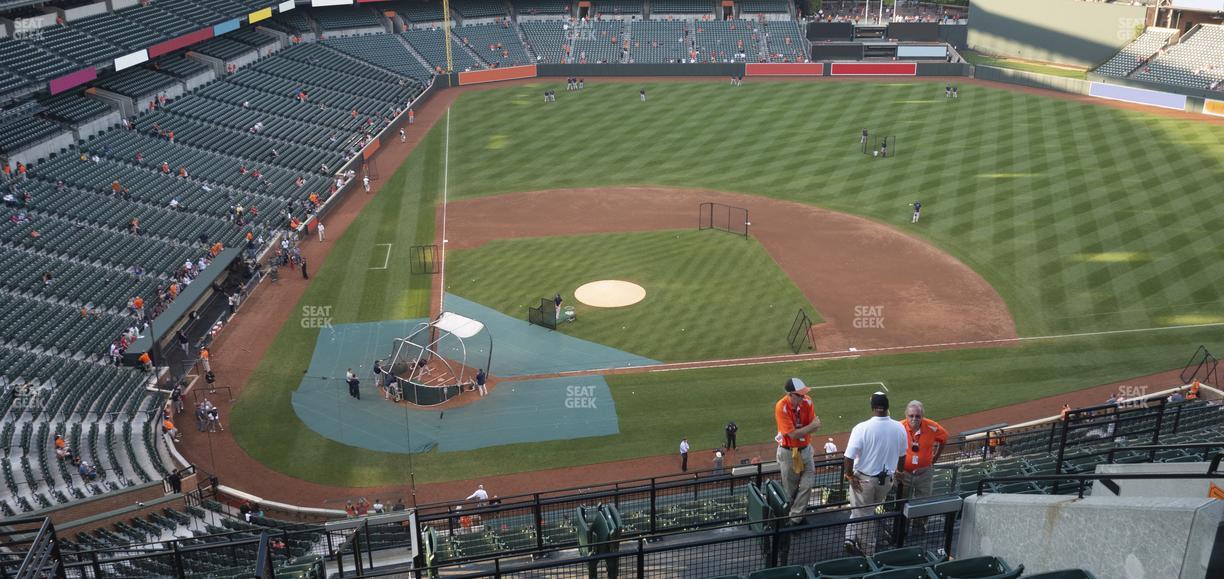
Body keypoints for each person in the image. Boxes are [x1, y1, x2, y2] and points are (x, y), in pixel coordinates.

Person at [842, 392, 907, 556]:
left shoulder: (861, 427)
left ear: (873, 408)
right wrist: (899, 471)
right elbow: (902, 455)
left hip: (864, 481)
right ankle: (849, 538)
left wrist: (849, 475)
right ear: (887, 407)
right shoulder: (899, 427)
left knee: (865, 515)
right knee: (861, 510)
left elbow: (848, 457)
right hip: (886, 482)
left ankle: (868, 553)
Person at [775, 377, 821, 524]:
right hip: (788, 452)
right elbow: (794, 434)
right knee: (790, 491)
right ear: (790, 394)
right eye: (799, 395)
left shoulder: (808, 401)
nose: (803, 397)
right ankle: (789, 518)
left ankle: (795, 518)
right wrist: (808, 428)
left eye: (803, 394)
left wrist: (803, 430)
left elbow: (815, 426)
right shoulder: (781, 406)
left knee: (808, 485)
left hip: (805, 449)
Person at [896, 401, 948, 532]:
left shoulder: (932, 427)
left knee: (924, 501)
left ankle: (920, 527)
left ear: (922, 416)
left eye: (917, 416)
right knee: (902, 500)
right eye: (911, 415)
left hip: (924, 472)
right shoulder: (898, 427)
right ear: (906, 415)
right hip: (904, 473)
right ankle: (901, 526)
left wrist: (935, 457)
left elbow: (944, 438)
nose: (914, 419)